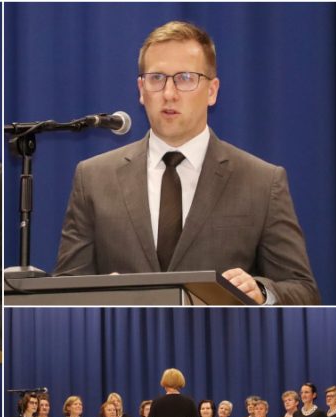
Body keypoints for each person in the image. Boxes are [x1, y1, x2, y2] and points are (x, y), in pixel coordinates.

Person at [54, 21, 319, 305]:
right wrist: (97, 295)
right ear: (141, 90)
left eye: (186, 78)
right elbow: (65, 289)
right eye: (157, 78)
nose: (169, 93)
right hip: (122, 343)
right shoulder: (93, 177)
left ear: (212, 90)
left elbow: (304, 292)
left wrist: (261, 291)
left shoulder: (263, 182)